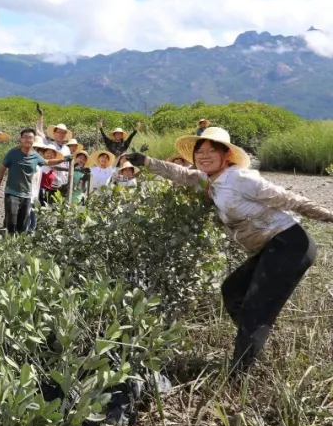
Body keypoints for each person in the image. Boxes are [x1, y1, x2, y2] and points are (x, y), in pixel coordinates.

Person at [126, 127, 333, 372]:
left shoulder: (241, 179)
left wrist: (329, 216)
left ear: (226, 155)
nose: (204, 156)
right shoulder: (209, 179)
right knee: (233, 291)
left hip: (290, 244)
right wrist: (147, 161)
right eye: (199, 152)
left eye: (211, 151)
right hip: (268, 248)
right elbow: (182, 174)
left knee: (256, 309)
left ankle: (239, 374)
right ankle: (254, 341)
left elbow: (290, 200)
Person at [0, 128, 66, 235]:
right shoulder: (13, 153)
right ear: (20, 139)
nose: (27, 140)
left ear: (33, 140)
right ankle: (9, 244)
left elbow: (47, 162)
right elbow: (2, 169)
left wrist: (63, 159)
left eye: (30, 137)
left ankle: (18, 247)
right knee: (11, 222)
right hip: (12, 193)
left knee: (22, 225)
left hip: (27, 195)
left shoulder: (35, 156)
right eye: (25, 137)